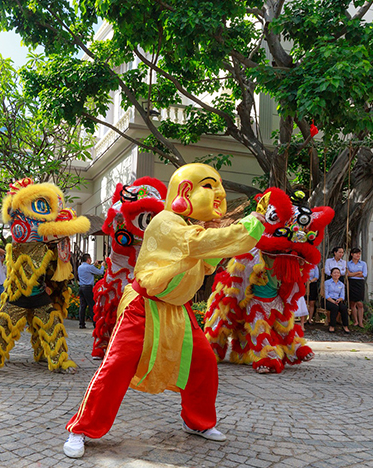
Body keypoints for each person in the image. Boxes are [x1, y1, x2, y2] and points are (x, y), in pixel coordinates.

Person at [63, 163, 265, 459]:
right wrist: (251, 224)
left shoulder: (191, 227)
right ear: (185, 191)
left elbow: (208, 256)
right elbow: (199, 245)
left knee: (205, 361)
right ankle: (80, 428)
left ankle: (198, 422)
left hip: (178, 310)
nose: (218, 194)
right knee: (115, 366)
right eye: (209, 186)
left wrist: (229, 229)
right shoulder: (166, 221)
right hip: (142, 306)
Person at [77, 253, 104, 329]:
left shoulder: (80, 267)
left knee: (82, 306)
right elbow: (100, 272)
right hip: (88, 288)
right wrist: (102, 266)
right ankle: (95, 323)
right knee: (91, 305)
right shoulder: (89, 267)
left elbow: (89, 270)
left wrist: (94, 265)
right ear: (88, 260)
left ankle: (81, 324)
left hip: (81, 287)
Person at [346, 248, 367, 328]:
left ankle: (361, 322)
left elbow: (364, 274)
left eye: (359, 254)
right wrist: (358, 272)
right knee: (353, 303)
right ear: (352, 254)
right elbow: (348, 274)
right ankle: (355, 321)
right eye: (356, 253)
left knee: (360, 303)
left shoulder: (363, 263)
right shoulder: (348, 264)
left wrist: (353, 274)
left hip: (359, 283)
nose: (358, 255)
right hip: (351, 283)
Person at [324, 268, 348, 333]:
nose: (336, 274)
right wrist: (333, 301)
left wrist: (339, 300)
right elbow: (326, 295)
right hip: (329, 300)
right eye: (334, 273)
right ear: (331, 274)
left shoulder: (341, 284)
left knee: (344, 308)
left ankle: (345, 325)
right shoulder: (327, 282)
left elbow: (342, 296)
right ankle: (332, 326)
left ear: (340, 275)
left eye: (338, 273)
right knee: (335, 307)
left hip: (338, 300)